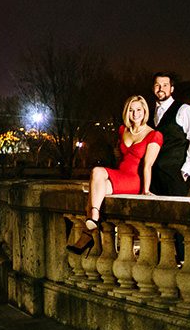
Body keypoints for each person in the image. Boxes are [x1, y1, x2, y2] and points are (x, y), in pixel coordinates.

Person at [66, 95, 162, 254]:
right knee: (96, 189)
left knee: (96, 173)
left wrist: (145, 190)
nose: (135, 114)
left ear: (145, 111)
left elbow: (148, 165)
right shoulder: (123, 130)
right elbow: (119, 157)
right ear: (127, 112)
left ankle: (92, 222)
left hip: (133, 180)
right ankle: (88, 232)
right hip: (120, 174)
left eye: (138, 110)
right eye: (131, 110)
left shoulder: (154, 135)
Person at [150, 72, 190, 197]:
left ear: (171, 89)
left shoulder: (184, 110)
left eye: (165, 85)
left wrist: (186, 171)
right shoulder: (149, 113)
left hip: (174, 177)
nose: (161, 89)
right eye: (157, 85)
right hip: (153, 179)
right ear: (153, 88)